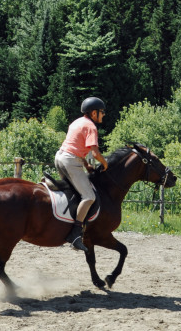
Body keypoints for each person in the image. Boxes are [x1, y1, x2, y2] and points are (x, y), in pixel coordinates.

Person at [54, 96, 109, 252]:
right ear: (93, 113)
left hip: (60, 157)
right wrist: (105, 164)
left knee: (73, 193)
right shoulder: (91, 126)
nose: (103, 114)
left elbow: (75, 146)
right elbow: (95, 152)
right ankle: (75, 234)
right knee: (89, 197)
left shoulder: (76, 122)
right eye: (101, 112)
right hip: (71, 161)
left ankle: (61, 227)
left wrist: (86, 164)